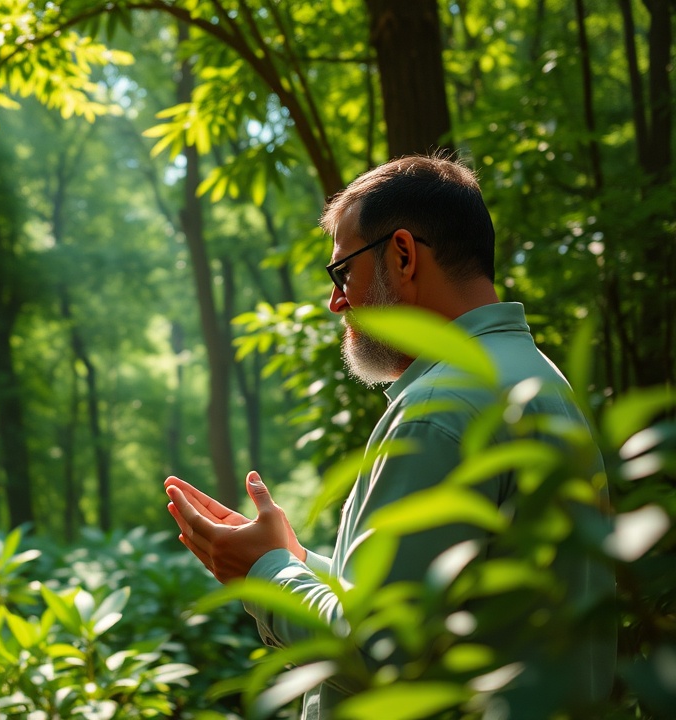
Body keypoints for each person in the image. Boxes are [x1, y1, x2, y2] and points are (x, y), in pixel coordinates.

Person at [165, 155, 615, 719]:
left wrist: (266, 574)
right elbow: (437, 611)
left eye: (342, 272)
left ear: (403, 255)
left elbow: (380, 652)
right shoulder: (533, 376)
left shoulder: (440, 408)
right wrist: (293, 558)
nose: (336, 301)